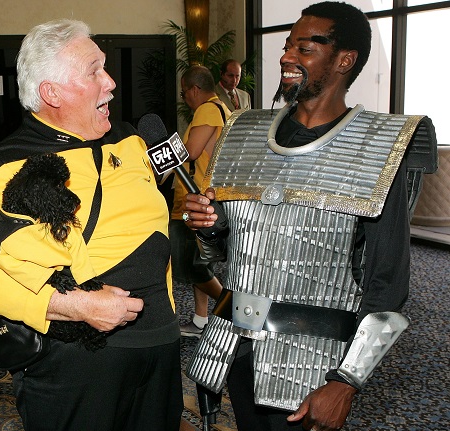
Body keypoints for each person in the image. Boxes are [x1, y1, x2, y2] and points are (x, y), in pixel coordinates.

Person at [183, 2, 437, 431]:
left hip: (312, 361)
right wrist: (211, 225)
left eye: (305, 48)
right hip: (233, 344)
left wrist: (347, 381)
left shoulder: (376, 148)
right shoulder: (246, 132)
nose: (286, 57)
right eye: (287, 47)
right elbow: (231, 250)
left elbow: (387, 281)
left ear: (344, 60)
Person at [0, 19, 183, 431]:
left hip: (162, 343)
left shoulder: (132, 140)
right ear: (51, 92)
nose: (111, 81)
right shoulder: (0, 165)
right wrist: (73, 306)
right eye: (94, 70)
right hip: (77, 359)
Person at [171, 65, 229, 337]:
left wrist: (163, 155)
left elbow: (191, 152)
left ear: (195, 89)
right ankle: (200, 320)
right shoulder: (222, 109)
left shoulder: (207, 109)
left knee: (187, 263)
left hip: (195, 206)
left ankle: (232, 309)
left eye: (185, 93)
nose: (185, 98)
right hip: (205, 202)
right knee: (200, 262)